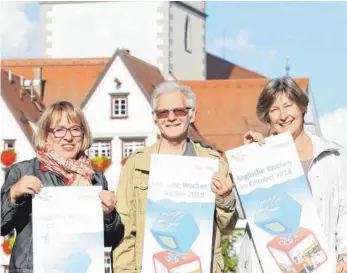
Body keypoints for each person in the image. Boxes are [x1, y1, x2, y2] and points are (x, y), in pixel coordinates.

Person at [113, 81, 238, 273]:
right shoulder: (136, 165)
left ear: (192, 114)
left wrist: (224, 198)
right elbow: (125, 231)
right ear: (155, 118)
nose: (171, 118)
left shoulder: (213, 164)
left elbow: (228, 227)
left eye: (178, 111)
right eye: (163, 112)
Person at [237, 77, 347, 273]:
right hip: (268, 264)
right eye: (274, 110)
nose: (283, 115)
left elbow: (344, 212)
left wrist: (345, 255)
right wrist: (248, 162)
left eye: (288, 106)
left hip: (318, 263)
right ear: (267, 117)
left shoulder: (333, 155)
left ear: (302, 108)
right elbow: (241, 212)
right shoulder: (260, 155)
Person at [1, 101, 124, 273]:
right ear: (46, 136)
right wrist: (13, 194)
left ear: (83, 134)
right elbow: (2, 227)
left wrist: (109, 216)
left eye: (75, 129)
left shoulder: (96, 179)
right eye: (59, 130)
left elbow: (111, 240)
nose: (68, 137)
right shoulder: (23, 171)